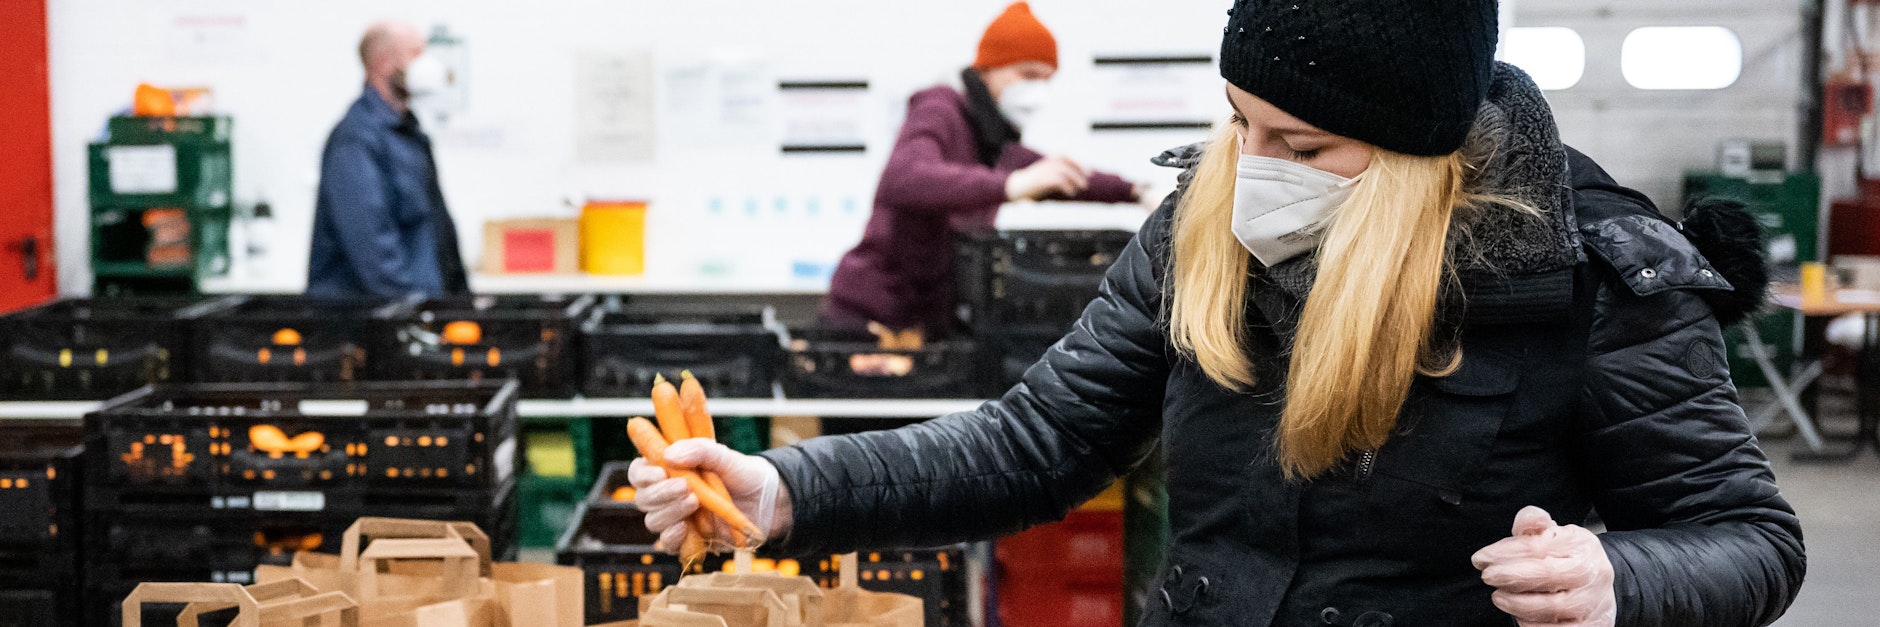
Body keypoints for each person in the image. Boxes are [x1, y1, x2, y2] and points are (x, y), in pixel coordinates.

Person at [631, 1, 1806, 625]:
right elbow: (1040, 439)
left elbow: (1749, 541)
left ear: (1418, 152)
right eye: (1237, 119)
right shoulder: (1204, 224)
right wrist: (788, 490)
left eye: (1300, 144)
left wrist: (1618, 581)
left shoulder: (1595, 275)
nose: (1251, 166)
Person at [823, 2, 1145, 335]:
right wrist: (1011, 185)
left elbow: (1058, 175)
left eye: (1047, 80)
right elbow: (905, 177)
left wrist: (1135, 191)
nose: (1037, 92)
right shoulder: (939, 109)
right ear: (989, 69)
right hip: (873, 319)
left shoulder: (991, 139)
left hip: (929, 320)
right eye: (1028, 75)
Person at [307, 20, 469, 299]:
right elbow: (370, 243)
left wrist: (459, 301)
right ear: (383, 62)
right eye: (416, 54)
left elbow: (435, 230)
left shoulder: (408, 132)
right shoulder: (356, 139)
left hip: (417, 312)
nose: (428, 64)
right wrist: (410, 310)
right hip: (373, 322)